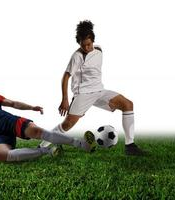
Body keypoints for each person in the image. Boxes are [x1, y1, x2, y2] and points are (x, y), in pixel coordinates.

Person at [39, 20, 146, 156]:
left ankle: (130, 146)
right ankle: (41, 146)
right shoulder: (78, 56)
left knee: (128, 104)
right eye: (83, 45)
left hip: (99, 91)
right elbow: (66, 77)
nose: (86, 48)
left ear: (93, 41)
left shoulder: (99, 49)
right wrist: (65, 100)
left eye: (89, 44)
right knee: (67, 125)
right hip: (83, 94)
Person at [0, 83, 96, 162]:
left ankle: (81, 144)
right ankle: (47, 150)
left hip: (8, 121)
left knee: (36, 131)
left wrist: (31, 107)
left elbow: (13, 103)